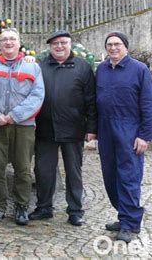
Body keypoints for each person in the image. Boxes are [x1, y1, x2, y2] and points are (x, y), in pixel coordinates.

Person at [30, 30, 97, 226]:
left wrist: (91, 128)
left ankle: (75, 210)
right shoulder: (40, 66)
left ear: (70, 44)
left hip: (73, 128)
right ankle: (44, 207)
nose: (59, 46)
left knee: (73, 172)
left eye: (63, 43)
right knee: (43, 171)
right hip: (45, 128)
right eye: (55, 44)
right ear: (50, 47)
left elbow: (91, 101)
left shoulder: (83, 67)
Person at [0, 27, 45, 226]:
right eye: (4, 39)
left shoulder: (32, 67)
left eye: (12, 39)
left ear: (19, 43)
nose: (8, 43)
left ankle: (21, 206)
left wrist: (15, 116)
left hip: (24, 126)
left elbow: (38, 95)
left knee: (23, 169)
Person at [96, 31, 152, 243]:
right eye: (109, 44)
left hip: (129, 131)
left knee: (129, 178)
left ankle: (130, 224)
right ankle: (124, 216)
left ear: (126, 47)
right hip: (106, 131)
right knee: (110, 177)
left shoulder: (139, 70)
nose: (113, 48)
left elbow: (149, 105)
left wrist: (144, 135)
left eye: (117, 44)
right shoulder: (102, 69)